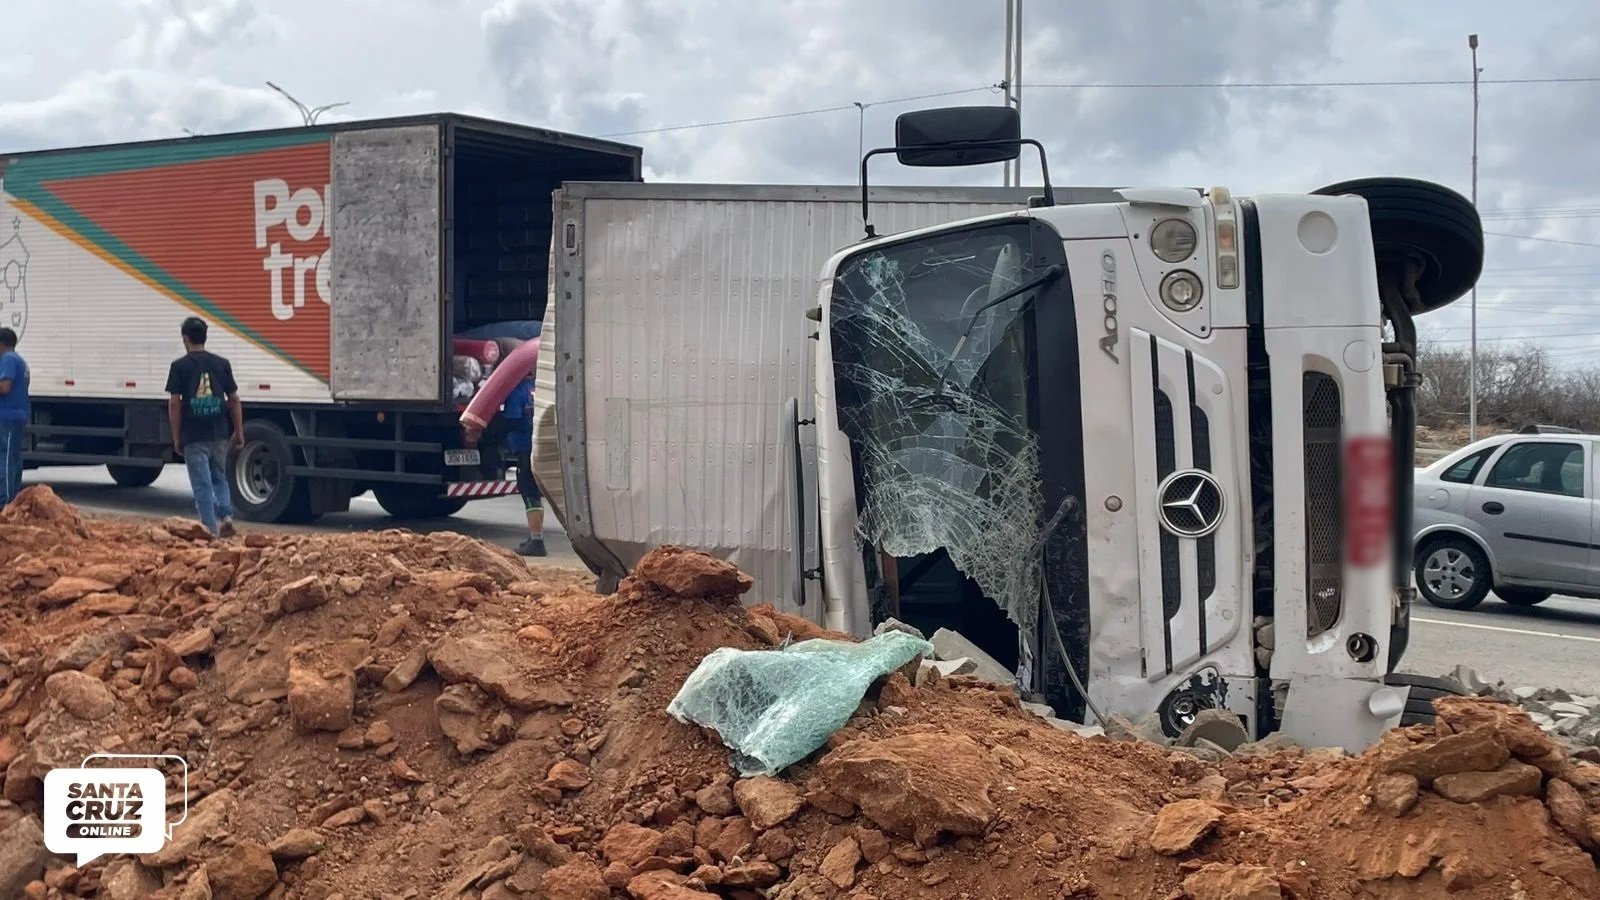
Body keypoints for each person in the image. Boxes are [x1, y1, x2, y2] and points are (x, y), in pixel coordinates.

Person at [166, 317, 244, 537]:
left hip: (194, 435)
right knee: (219, 477)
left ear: (185, 339)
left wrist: (176, 437)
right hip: (220, 433)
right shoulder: (222, 363)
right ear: (205, 337)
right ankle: (226, 517)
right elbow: (234, 399)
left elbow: (174, 404)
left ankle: (210, 529)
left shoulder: (179, 366)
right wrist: (239, 432)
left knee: (202, 484)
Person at [502, 372, 546, 557]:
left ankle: (537, 541)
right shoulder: (536, 388)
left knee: (529, 494)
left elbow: (513, 419)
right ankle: (536, 537)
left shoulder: (517, 391)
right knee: (535, 493)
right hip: (538, 445)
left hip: (524, 447)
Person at [0, 327, 29, 506]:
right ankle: (13, 499)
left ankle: (6, 501)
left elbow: (4, 387)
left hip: (7, 417)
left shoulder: (8, 359)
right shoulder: (20, 360)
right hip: (17, 415)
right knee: (13, 459)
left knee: (5, 459)